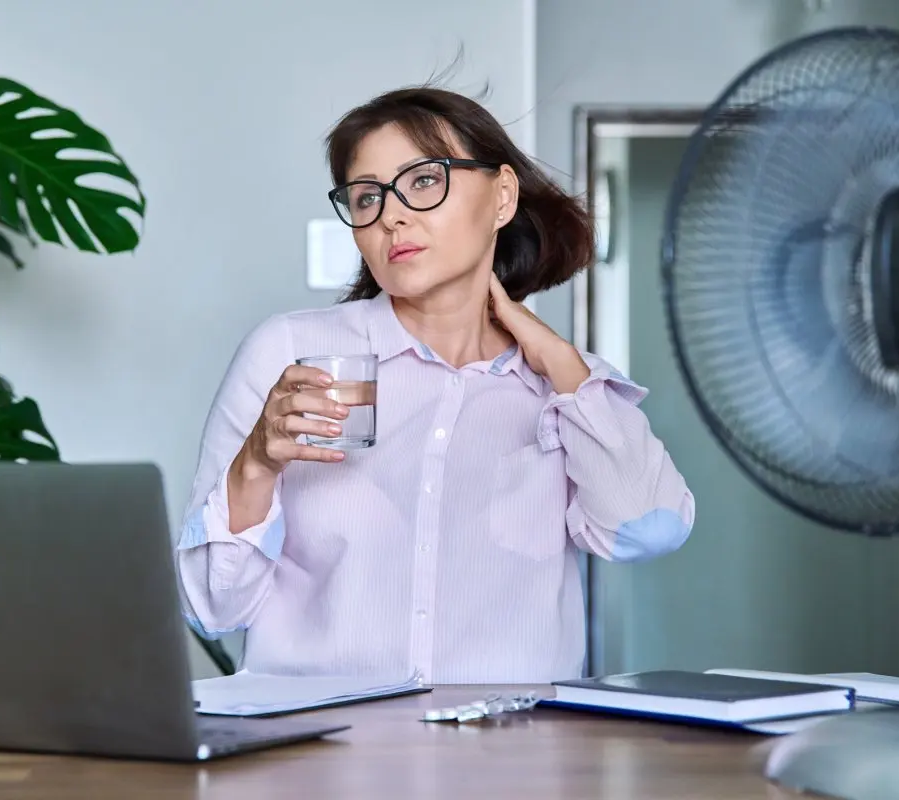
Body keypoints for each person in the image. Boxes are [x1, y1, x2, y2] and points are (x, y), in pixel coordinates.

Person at [175, 86, 695, 684]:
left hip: (510, 756)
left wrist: (561, 363)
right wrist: (256, 467)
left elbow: (648, 530)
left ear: (501, 196)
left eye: (424, 180)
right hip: (316, 754)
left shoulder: (560, 389)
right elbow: (213, 609)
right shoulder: (290, 355)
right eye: (366, 196)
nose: (391, 215)